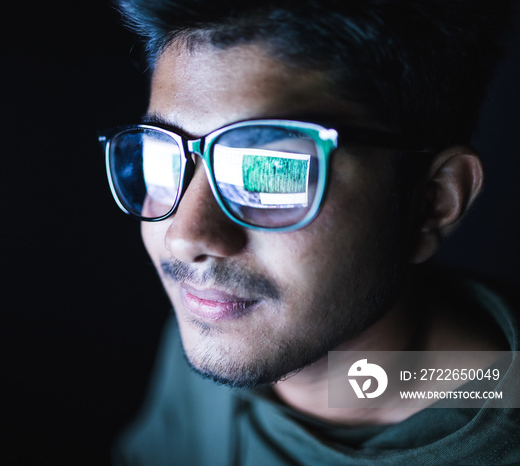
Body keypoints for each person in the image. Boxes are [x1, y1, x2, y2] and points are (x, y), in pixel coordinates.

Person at [100, 0, 520, 464]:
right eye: (161, 158)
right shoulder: (218, 319)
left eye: (268, 172)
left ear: (432, 201)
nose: (187, 237)